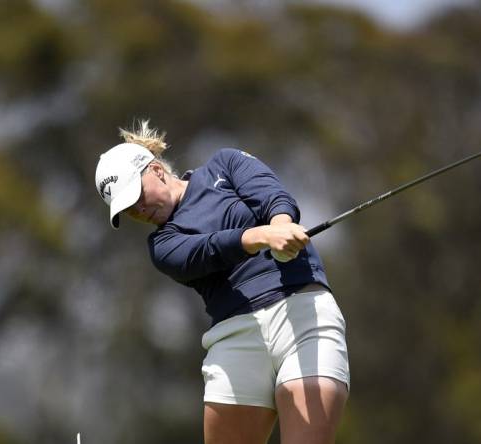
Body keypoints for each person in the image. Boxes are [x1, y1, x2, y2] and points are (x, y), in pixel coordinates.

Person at [94, 120, 349, 444]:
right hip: (236, 336)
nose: (139, 209)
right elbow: (208, 249)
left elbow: (271, 195)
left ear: (156, 170)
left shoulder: (224, 164)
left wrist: (282, 226)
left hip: (303, 314)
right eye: (128, 209)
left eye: (137, 195)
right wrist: (261, 236)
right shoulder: (162, 246)